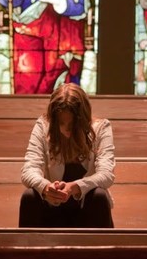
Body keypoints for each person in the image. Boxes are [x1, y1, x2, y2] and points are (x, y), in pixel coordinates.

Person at [19, 83, 115, 228]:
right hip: (52, 208)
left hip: (87, 209)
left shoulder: (101, 128)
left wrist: (74, 187)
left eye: (71, 125)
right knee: (29, 197)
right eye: (61, 123)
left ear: (83, 120)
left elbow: (106, 175)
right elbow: (29, 170)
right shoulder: (43, 126)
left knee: (99, 196)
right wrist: (46, 187)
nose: (66, 130)